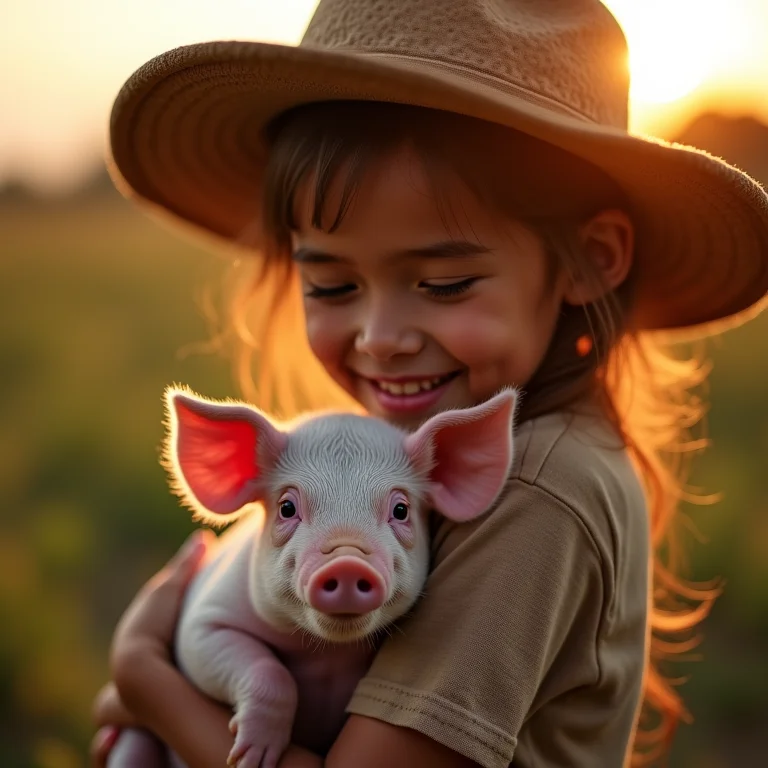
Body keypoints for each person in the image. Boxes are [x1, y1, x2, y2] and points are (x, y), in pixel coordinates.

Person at [92, 1, 768, 766]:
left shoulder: (540, 493)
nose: (381, 338)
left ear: (589, 259)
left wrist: (145, 679)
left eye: (444, 283)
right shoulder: (500, 453)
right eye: (332, 285)